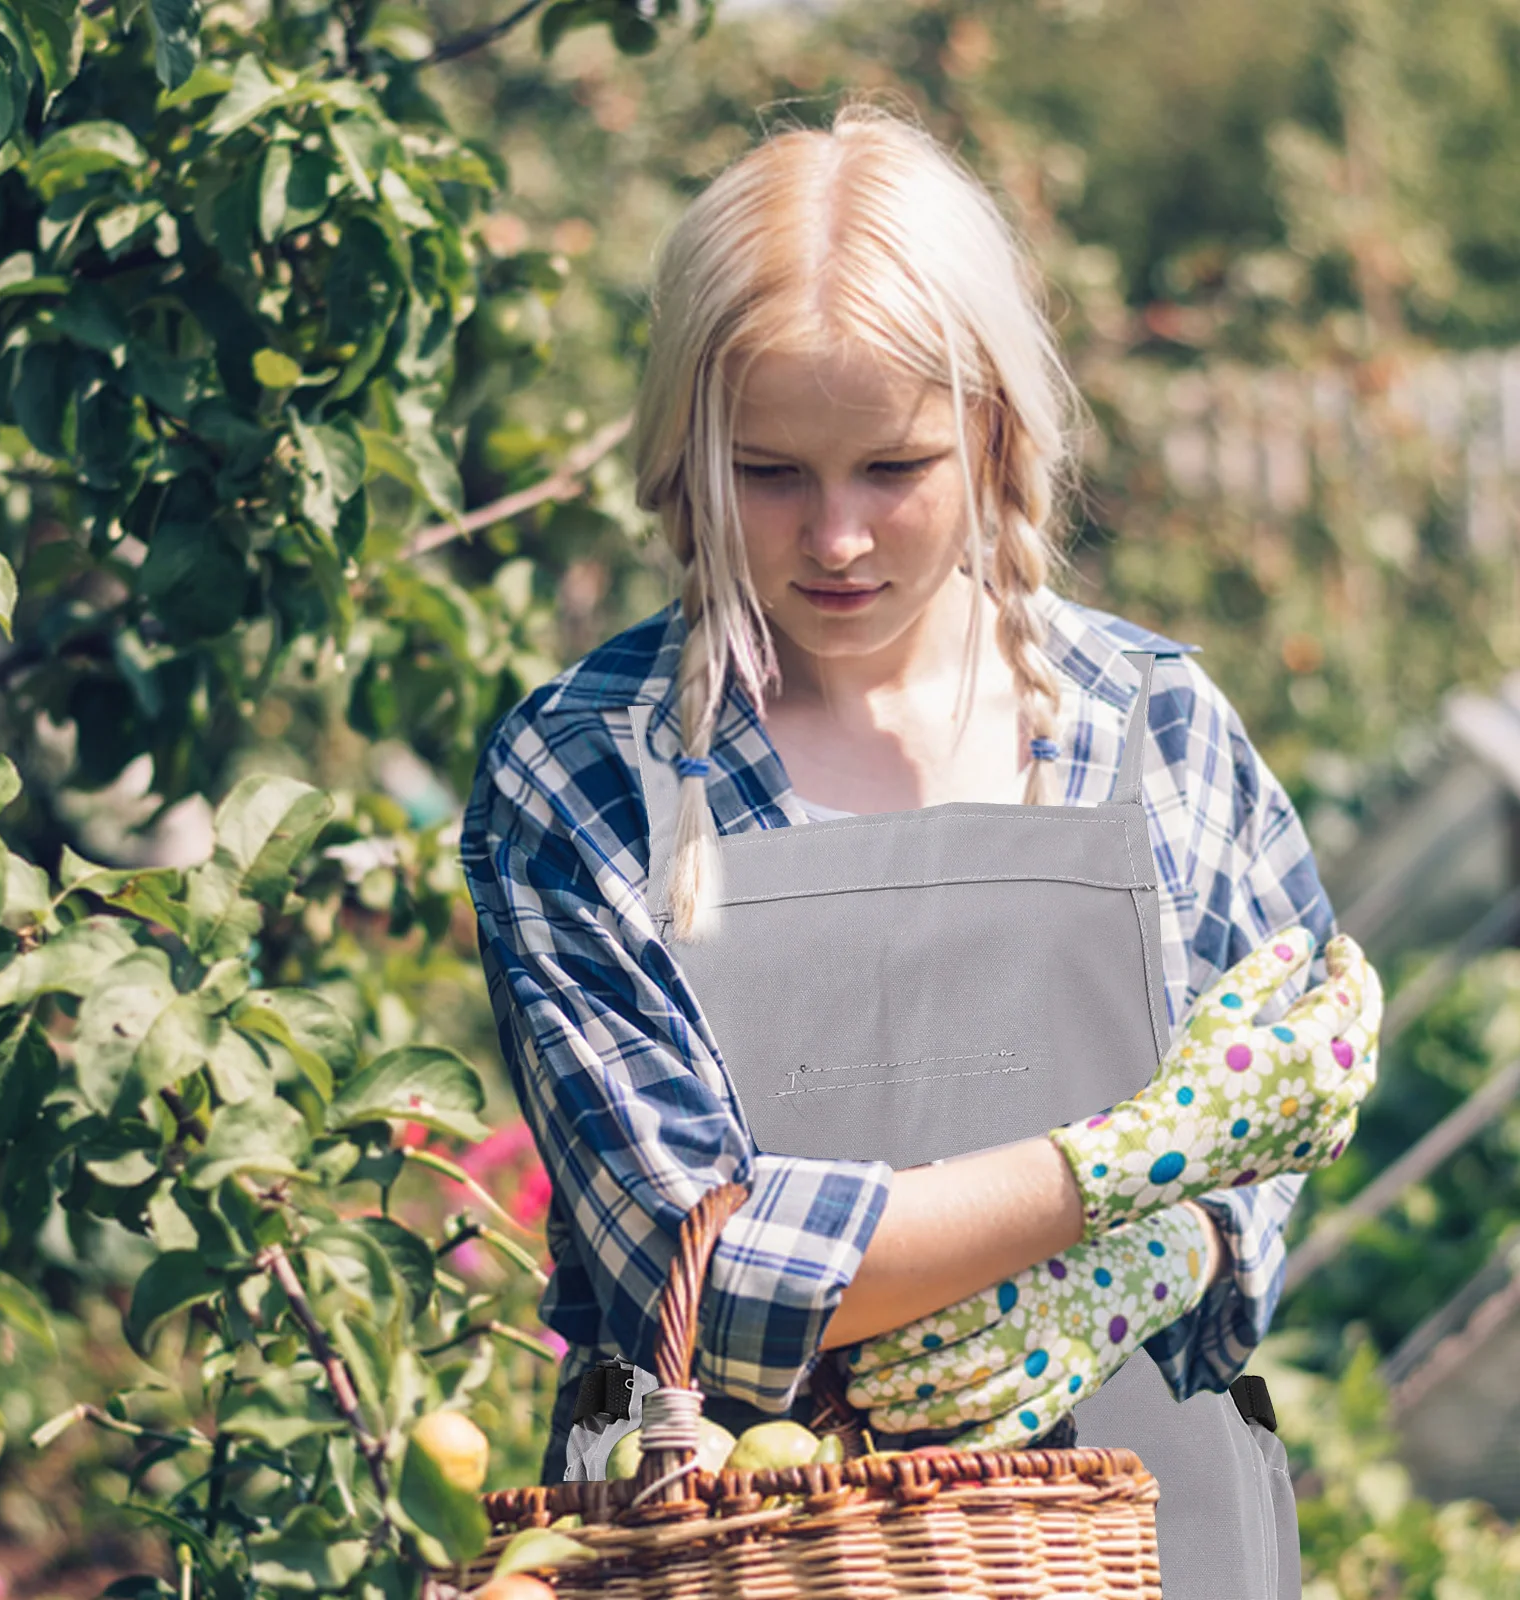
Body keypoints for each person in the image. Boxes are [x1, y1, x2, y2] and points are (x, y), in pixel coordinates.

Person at [460, 105, 1381, 1596]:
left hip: (1150, 1529)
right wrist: (1118, 1170)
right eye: (770, 472)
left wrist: (1157, 1262)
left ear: (995, 432)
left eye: (894, 466)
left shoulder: (1148, 728)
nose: (836, 538)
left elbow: (1274, 1116)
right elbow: (709, 1267)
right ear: (688, 454)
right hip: (751, 1543)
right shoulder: (588, 775)